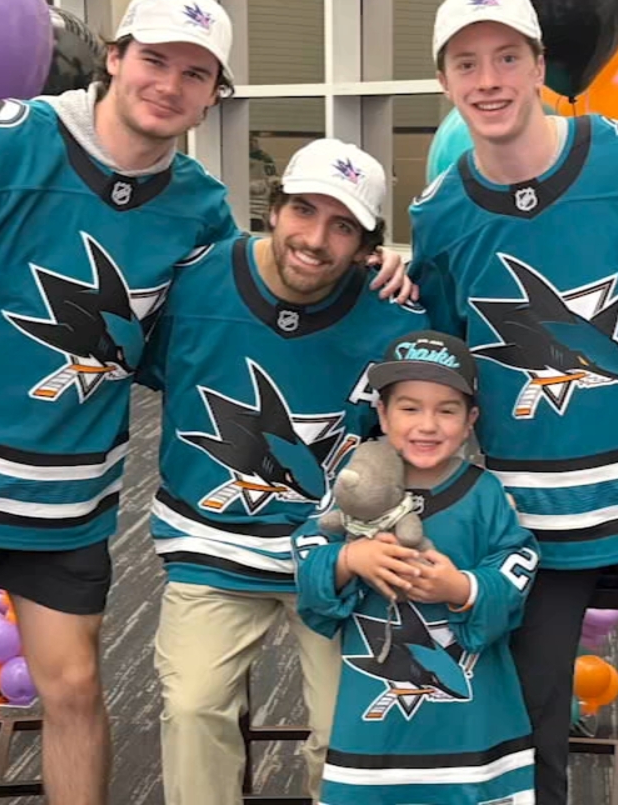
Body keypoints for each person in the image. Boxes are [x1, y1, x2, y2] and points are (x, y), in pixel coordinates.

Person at [0, 0, 407, 804]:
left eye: (195, 73)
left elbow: (219, 331)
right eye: (155, 60)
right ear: (115, 59)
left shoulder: (199, 208)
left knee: (75, 691)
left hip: (67, 501)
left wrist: (369, 281)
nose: (169, 84)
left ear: (212, 97)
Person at [408, 0, 618, 805]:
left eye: (506, 59)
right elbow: (450, 377)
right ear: (446, 82)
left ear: (540, 67)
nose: (488, 80)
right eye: (466, 64)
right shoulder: (441, 217)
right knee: (526, 730)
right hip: (531, 525)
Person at [138, 138, 427, 805]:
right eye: (303, 210)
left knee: (346, 732)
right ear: (273, 208)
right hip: (211, 549)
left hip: (338, 555)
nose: (315, 239)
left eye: (343, 226)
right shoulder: (194, 281)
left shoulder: (393, 315)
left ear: (366, 245)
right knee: (192, 709)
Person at [292, 329, 540, 804]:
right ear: (382, 414)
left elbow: (518, 562)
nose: (427, 425)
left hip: (474, 718)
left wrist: (461, 587)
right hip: (370, 719)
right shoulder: (351, 485)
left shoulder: (484, 492)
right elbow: (306, 553)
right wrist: (349, 558)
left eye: (446, 410)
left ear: (470, 420)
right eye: (409, 408)